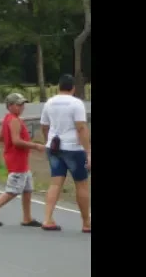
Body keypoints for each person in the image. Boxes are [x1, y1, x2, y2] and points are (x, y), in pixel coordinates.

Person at [0, 93, 45, 227]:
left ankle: (27, 218)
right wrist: (35, 145)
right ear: (10, 106)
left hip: (19, 158)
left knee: (27, 188)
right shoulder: (14, 120)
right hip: (17, 159)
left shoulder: (8, 119)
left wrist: (10, 142)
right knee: (13, 189)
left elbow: (0, 137)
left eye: (23, 104)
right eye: (18, 105)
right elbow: (16, 141)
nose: (22, 107)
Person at [39, 74, 91, 233]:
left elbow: (44, 126)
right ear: (73, 87)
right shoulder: (76, 104)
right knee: (81, 184)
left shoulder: (49, 102)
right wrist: (88, 151)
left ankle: (47, 219)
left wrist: (48, 140)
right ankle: (86, 222)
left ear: (58, 87)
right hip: (74, 149)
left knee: (55, 183)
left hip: (54, 147)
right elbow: (81, 128)